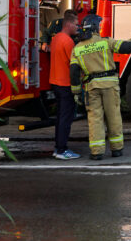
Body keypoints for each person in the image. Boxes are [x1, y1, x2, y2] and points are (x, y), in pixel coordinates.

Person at [69, 14, 131, 160]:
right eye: (99, 26)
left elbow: (74, 71)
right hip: (110, 86)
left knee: (95, 119)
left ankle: (97, 152)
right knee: (113, 117)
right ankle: (117, 149)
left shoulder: (77, 49)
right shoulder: (106, 42)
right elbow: (129, 47)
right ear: (95, 27)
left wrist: (76, 92)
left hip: (91, 88)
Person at [50, 16, 81, 160]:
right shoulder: (68, 42)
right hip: (65, 84)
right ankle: (62, 150)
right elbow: (74, 64)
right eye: (76, 24)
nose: (77, 27)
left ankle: (58, 148)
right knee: (65, 119)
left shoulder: (55, 38)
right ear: (68, 24)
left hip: (55, 82)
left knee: (60, 117)